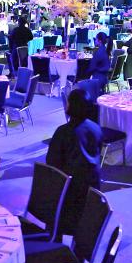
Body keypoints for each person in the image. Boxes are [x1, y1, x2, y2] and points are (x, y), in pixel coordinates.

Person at [46, 87, 103, 237]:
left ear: (69, 107)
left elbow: (52, 163)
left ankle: (52, 240)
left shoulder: (63, 132)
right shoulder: (96, 128)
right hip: (93, 188)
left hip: (69, 189)